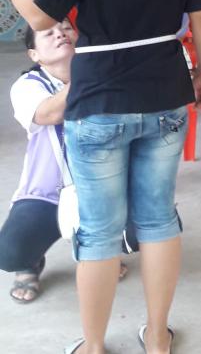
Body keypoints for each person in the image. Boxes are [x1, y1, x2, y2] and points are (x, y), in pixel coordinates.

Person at [0, 0, 201, 354]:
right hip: (166, 95)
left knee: (97, 231)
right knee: (159, 220)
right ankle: (157, 337)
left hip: (98, 102)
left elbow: (39, 15)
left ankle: (94, 346)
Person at [0, 21, 131, 306]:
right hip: (48, 192)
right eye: (48, 33)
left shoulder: (105, 74)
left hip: (101, 185)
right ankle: (30, 264)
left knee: (143, 226)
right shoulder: (28, 85)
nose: (60, 33)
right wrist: (87, 73)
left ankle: (97, 252)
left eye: (66, 28)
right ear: (34, 54)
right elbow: (49, 114)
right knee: (10, 252)